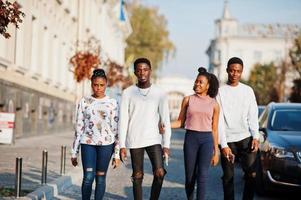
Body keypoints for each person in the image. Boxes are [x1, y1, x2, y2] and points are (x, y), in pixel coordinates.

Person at [119, 57, 171, 200]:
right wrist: (122, 145)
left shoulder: (159, 93)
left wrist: (166, 145)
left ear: (150, 71)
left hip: (153, 139)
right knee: (137, 175)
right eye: (139, 70)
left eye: (145, 69)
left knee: (160, 172)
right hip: (135, 139)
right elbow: (123, 120)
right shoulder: (128, 92)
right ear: (135, 72)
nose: (142, 72)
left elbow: (165, 120)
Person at [71, 68, 120, 200]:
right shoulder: (84, 102)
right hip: (87, 143)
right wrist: (74, 152)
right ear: (91, 84)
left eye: (101, 85)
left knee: (100, 177)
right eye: (95, 85)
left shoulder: (113, 103)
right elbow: (79, 127)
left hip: (106, 144)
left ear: (106, 84)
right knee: (88, 177)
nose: (98, 88)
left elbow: (116, 130)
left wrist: (117, 154)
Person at [171, 67, 220, 200]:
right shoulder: (187, 100)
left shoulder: (214, 104)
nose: (197, 84)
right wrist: (165, 125)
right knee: (190, 178)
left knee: (203, 176)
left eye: (200, 82)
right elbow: (180, 122)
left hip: (206, 141)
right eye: (196, 81)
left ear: (208, 86)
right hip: (191, 139)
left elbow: (214, 129)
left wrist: (217, 152)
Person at [217, 57, 259, 200]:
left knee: (251, 174)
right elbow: (218, 121)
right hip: (227, 140)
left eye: (238, 71)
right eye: (232, 70)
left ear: (241, 72)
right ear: (227, 70)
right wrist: (223, 145)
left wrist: (256, 137)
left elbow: (253, 115)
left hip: (246, 138)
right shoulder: (219, 92)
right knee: (228, 177)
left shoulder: (247, 91)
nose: (235, 74)